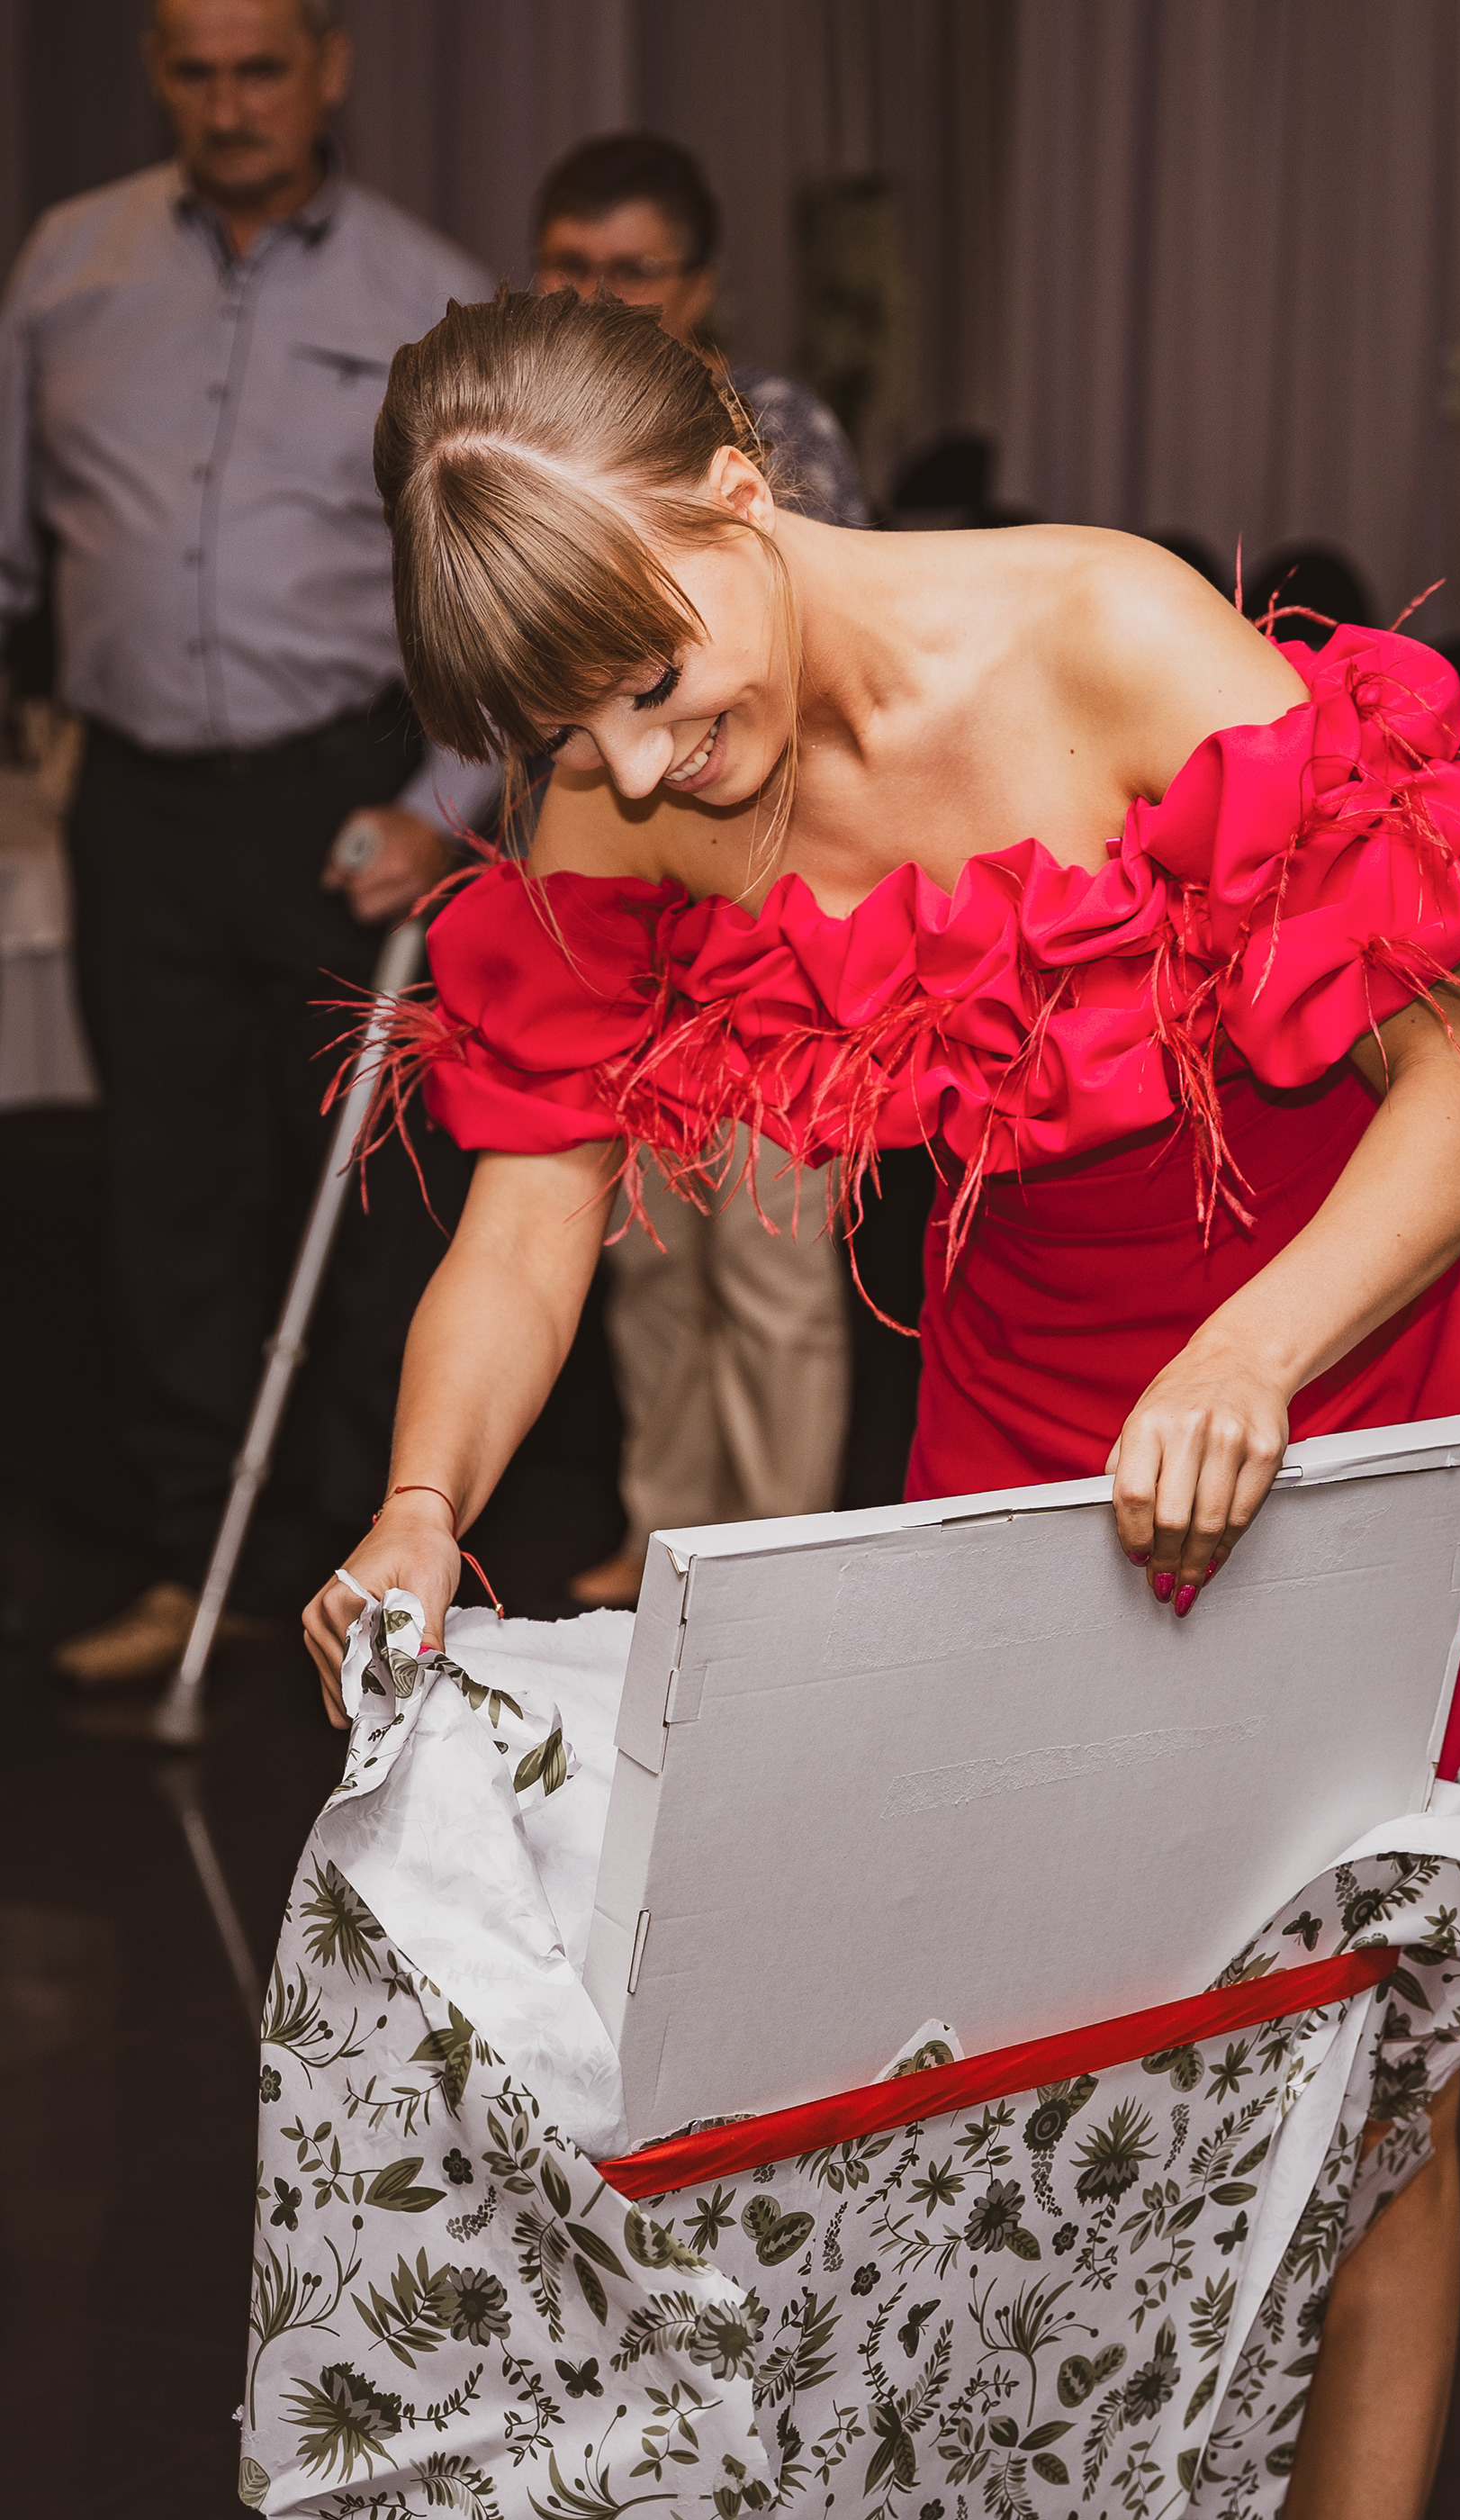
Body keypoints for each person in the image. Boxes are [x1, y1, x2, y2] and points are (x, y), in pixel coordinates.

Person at [303, 291, 1460, 2520]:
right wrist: (422, 1504)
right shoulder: (616, 783)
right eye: (575, 728)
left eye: (656, 677)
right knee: (1012, 2079)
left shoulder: (1104, 635)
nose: (640, 766)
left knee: (1368, 2093)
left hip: (1349, 1358)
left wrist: (1252, 1357)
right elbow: (526, 1225)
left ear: (742, 488)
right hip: (1026, 1413)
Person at [0, 0, 498, 1680]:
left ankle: (368, 1571)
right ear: (158, 72)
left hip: (339, 795)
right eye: (197, 72)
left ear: (328, 67)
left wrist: (438, 811)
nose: (230, 105)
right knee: (170, 1184)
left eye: (262, 69)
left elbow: (488, 591)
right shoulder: (66, 266)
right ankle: (188, 1564)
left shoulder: (421, 292)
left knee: (364, 1198)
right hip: (134, 798)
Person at [527, 131, 867, 1608]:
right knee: (645, 1247)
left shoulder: (778, 431)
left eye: (636, 270)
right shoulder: (531, 448)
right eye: (572, 267)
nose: (603, 296)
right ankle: (665, 1538)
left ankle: (775, 1567)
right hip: (625, 914)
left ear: (702, 281)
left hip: (781, 910)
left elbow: (829, 678)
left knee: (773, 1257)